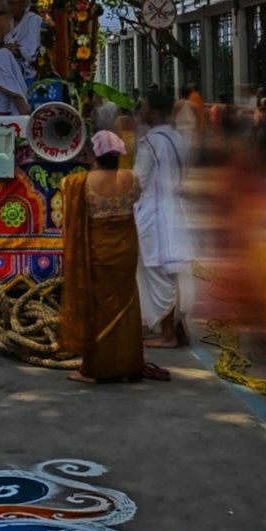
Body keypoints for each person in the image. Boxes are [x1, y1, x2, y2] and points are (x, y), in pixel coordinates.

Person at [60, 130, 165, 384]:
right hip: (126, 247)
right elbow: (136, 200)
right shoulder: (132, 178)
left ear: (96, 153)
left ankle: (94, 368)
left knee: (98, 305)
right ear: (119, 154)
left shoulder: (82, 182)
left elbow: (65, 193)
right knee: (127, 304)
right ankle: (128, 365)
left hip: (98, 249)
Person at [134, 90, 193, 347]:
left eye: (145, 107)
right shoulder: (178, 138)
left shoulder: (150, 143)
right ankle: (179, 331)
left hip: (154, 215)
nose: (141, 111)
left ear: (155, 112)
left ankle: (167, 335)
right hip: (174, 212)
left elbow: (138, 181)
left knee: (160, 275)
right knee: (173, 273)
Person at [0, 0, 40, 116]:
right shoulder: (1, 20)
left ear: (24, 4)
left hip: (24, 63)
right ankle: (19, 99)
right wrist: (6, 46)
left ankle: (2, 110)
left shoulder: (32, 20)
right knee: (2, 54)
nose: (12, 7)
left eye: (16, 3)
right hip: (6, 60)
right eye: (10, 3)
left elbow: (31, 51)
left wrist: (18, 50)